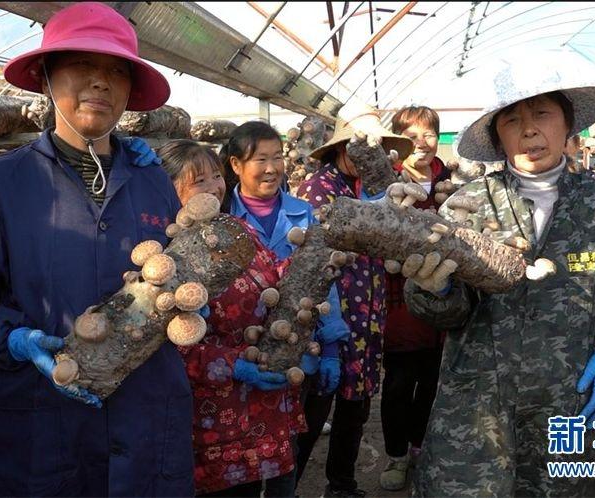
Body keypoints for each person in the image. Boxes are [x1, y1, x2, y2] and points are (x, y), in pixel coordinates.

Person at [0, 3, 193, 496]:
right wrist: (15, 339)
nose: (100, 83)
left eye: (117, 71)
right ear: (48, 77)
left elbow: (179, 278)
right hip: (45, 425)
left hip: (145, 419)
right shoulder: (2, 184)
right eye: (82, 66)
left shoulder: (152, 178)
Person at [404, 63, 595, 496]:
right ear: (497, 138)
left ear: (567, 125)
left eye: (542, 115)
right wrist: (436, 290)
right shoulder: (466, 208)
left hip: (568, 404)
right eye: (513, 120)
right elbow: (446, 312)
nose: (529, 130)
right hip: (476, 410)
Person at [159, 139, 306, 497]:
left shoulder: (234, 229)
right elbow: (167, 346)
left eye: (216, 176)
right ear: (169, 190)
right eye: (199, 181)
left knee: (280, 485)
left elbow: (271, 274)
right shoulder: (168, 257)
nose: (215, 187)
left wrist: (306, 262)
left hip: (268, 403)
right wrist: (233, 365)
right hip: (218, 416)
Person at [222, 121, 352, 496]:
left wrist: (329, 348)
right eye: (260, 158)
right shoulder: (221, 217)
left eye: (277, 157)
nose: (271, 167)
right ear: (235, 164)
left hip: (299, 353)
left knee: (286, 457)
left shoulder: (303, 214)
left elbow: (325, 282)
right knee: (241, 461)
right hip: (242, 359)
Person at [295, 103, 413, 498]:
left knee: (356, 406)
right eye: (360, 149)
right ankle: (286, 486)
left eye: (375, 151)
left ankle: (341, 484)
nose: (367, 158)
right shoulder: (319, 187)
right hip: (332, 314)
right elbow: (312, 256)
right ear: (341, 148)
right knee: (315, 408)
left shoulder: (370, 187)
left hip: (368, 314)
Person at [378, 106, 451, 492]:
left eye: (429, 133)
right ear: (398, 139)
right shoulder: (387, 182)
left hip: (444, 302)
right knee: (398, 384)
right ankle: (395, 455)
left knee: (433, 381)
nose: (422, 142)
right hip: (400, 302)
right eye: (412, 134)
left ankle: (421, 448)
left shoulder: (451, 182)